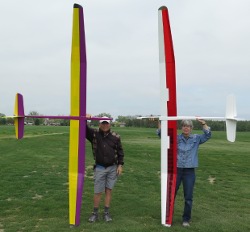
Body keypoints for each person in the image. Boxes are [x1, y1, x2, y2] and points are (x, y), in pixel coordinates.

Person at [86, 117, 124, 222]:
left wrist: (120, 165)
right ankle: (95, 213)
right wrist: (85, 118)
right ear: (99, 124)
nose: (105, 125)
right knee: (98, 191)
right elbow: (83, 128)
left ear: (110, 124)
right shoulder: (94, 134)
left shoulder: (116, 137)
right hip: (100, 167)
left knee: (108, 190)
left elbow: (120, 152)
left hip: (112, 168)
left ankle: (106, 213)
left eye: (106, 123)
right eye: (103, 123)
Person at [175, 118, 211, 227]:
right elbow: (161, 135)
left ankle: (186, 219)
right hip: (177, 170)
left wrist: (204, 124)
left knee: (188, 197)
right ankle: (168, 217)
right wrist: (160, 122)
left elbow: (208, 135)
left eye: (188, 126)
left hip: (189, 172)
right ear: (181, 128)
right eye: (184, 126)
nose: (186, 128)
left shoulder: (196, 138)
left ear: (191, 128)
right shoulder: (176, 138)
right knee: (171, 195)